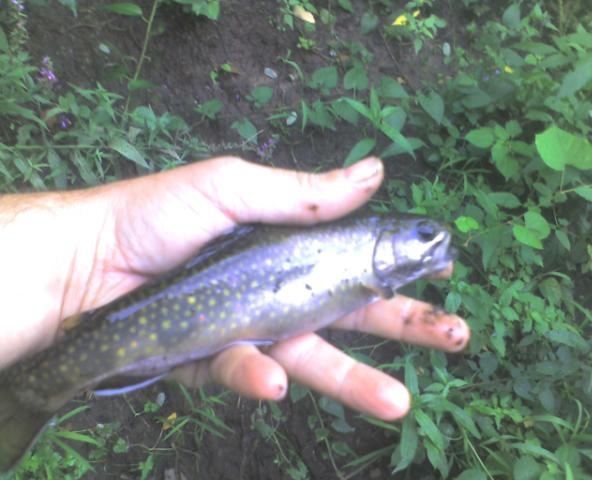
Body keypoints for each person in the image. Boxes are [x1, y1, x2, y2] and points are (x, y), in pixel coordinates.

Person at [0, 156, 469, 421]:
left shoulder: (369, 275)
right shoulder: (360, 259)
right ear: (382, 238)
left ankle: (31, 391)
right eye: (424, 235)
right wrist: (82, 251)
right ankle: (27, 393)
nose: (436, 240)